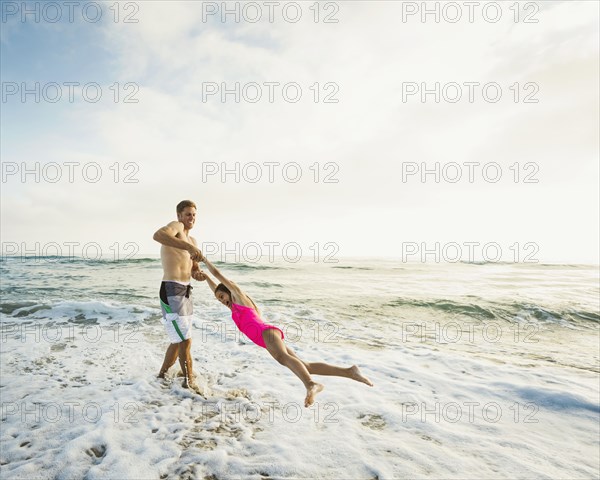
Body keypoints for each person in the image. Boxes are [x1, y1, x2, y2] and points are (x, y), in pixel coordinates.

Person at [197, 256, 373, 407]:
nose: (222, 300)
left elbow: (219, 277)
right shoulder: (234, 308)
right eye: (219, 299)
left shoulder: (240, 298)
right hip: (267, 337)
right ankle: (349, 372)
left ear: (230, 291)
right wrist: (205, 278)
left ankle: (311, 385)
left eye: (223, 297)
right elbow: (216, 288)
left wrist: (204, 261)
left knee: (283, 358)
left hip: (267, 333)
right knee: (306, 366)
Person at [153, 200, 205, 392]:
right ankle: (189, 382)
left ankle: (161, 375)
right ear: (179, 215)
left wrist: (198, 273)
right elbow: (158, 235)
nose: (191, 218)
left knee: (179, 339)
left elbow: (194, 269)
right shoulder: (176, 228)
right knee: (185, 340)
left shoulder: (193, 242)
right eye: (188, 214)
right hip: (171, 289)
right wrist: (187, 246)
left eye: (194, 215)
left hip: (186, 291)